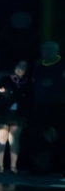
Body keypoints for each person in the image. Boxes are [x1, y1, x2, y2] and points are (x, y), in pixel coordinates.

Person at [29, 41, 64, 174]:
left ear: (56, 50)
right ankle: (41, 166)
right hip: (40, 106)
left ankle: (58, 166)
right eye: (44, 49)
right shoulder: (38, 65)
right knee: (40, 136)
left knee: (58, 135)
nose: (47, 52)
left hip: (58, 106)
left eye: (50, 49)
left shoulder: (62, 65)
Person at [0, 60, 30, 173]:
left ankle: (13, 167)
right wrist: (5, 92)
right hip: (4, 112)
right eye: (19, 65)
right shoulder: (5, 79)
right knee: (1, 138)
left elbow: (29, 99)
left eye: (24, 67)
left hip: (18, 114)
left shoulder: (28, 82)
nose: (21, 68)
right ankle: (0, 166)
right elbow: (0, 93)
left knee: (14, 140)